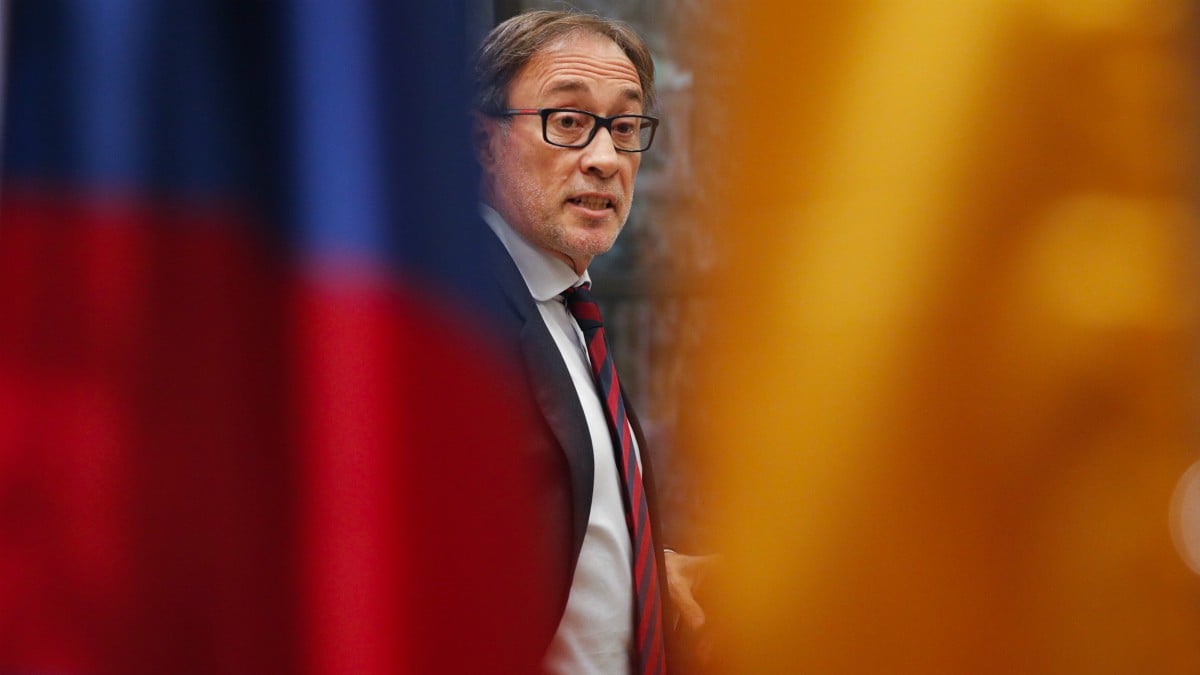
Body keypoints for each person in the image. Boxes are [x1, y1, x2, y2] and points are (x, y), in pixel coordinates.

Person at [471, 10, 709, 674]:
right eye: (569, 121)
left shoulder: (571, 309)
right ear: (484, 141)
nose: (604, 159)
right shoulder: (462, 315)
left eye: (625, 128)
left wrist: (643, 570)